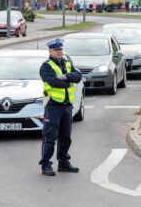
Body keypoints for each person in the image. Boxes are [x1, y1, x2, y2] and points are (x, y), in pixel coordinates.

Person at [39, 38, 82, 176]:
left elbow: (78, 76)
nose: (59, 52)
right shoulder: (46, 66)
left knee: (66, 137)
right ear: (50, 51)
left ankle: (63, 163)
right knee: (50, 137)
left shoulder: (67, 63)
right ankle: (46, 164)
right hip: (53, 106)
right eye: (56, 50)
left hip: (66, 106)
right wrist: (68, 81)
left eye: (61, 49)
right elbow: (53, 82)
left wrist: (64, 76)